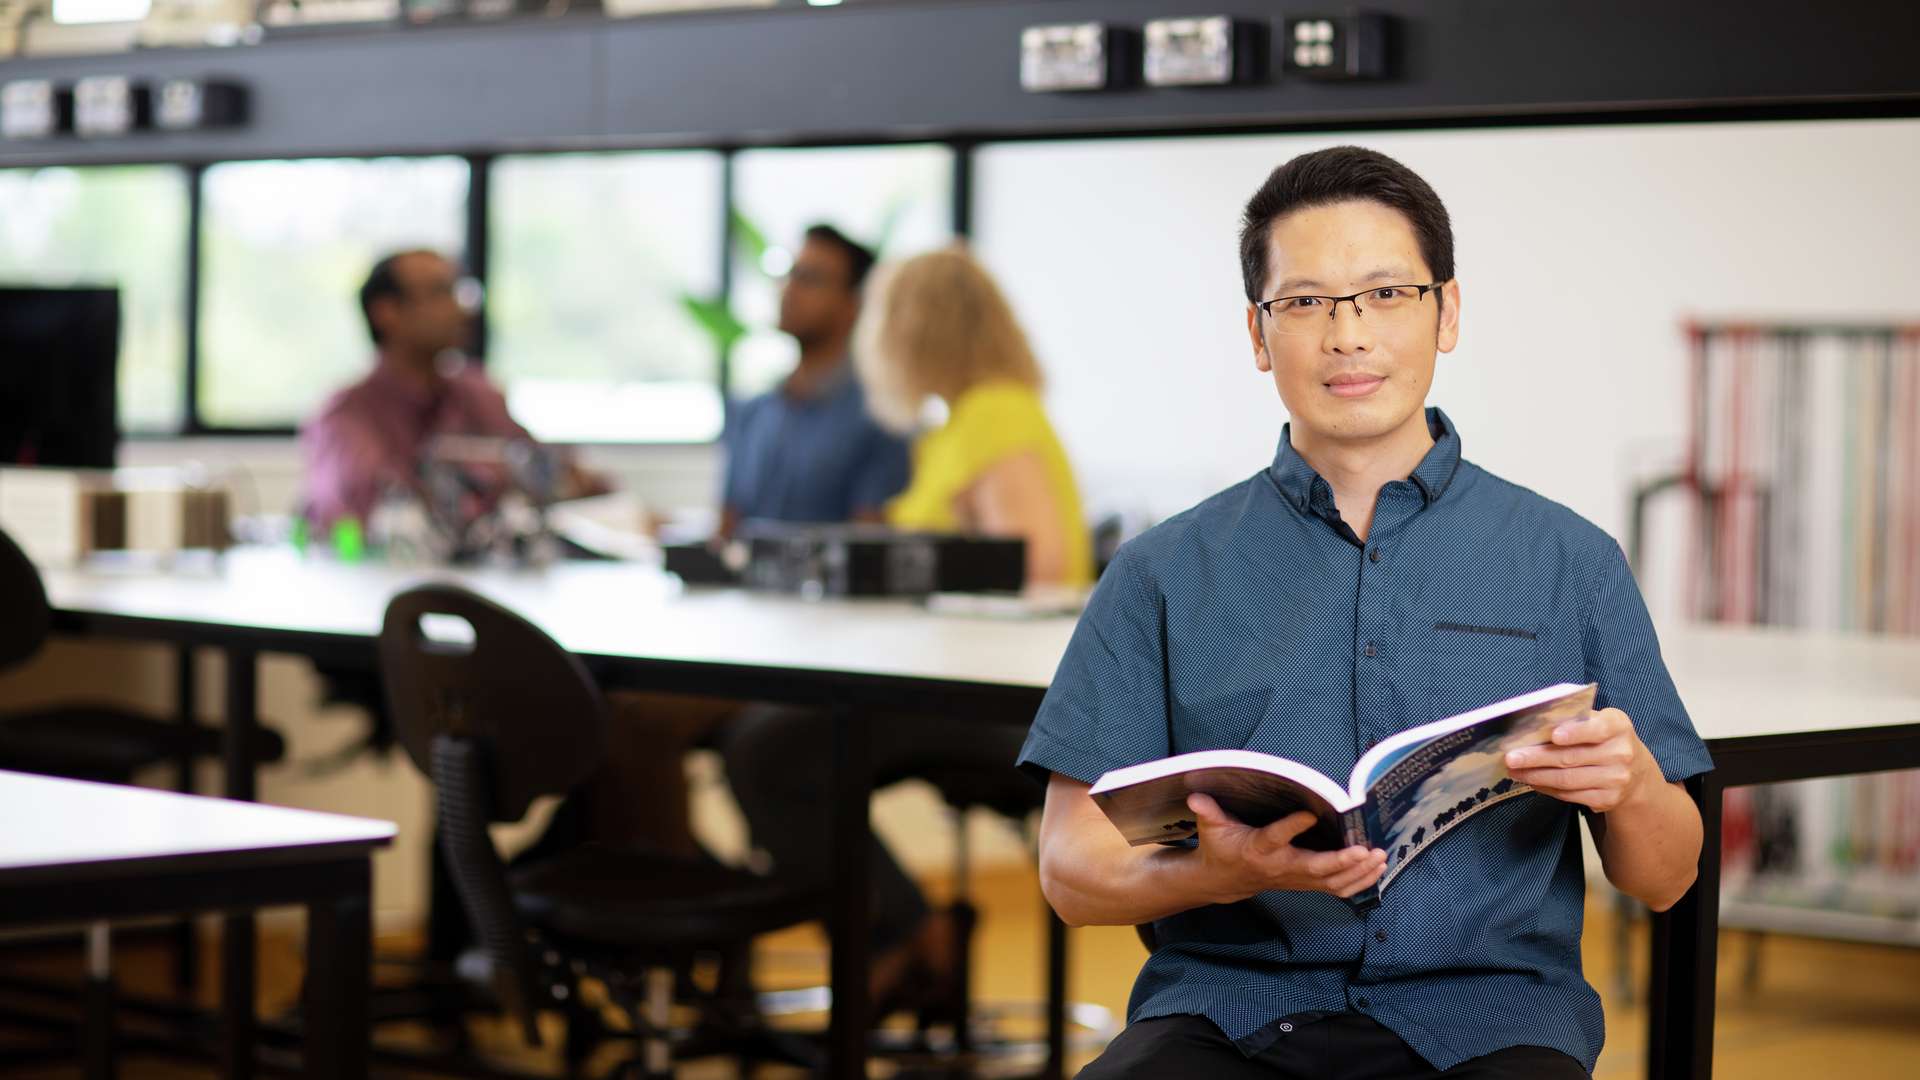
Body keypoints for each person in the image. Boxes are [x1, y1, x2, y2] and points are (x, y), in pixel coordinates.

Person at [1019, 146, 1712, 1078]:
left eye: (1387, 294)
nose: (1348, 335)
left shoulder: (1569, 559)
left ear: (1447, 312)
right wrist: (1222, 872)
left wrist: (1629, 784)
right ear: (1260, 336)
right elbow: (1068, 868)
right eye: (1304, 302)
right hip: (1230, 1009)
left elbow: (1666, 877)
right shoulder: (1161, 571)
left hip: (1491, 1018)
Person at [720, 246, 1092, 1015]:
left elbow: (1039, 571)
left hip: (996, 702)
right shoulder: (961, 420)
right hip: (942, 679)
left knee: (768, 750)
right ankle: (905, 937)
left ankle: (903, 938)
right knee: (768, 740)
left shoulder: (997, 414)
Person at [301, 249, 602, 531]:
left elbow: (569, 479)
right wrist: (502, 477)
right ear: (386, 312)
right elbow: (363, 506)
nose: (460, 309)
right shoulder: (346, 414)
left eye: (459, 292)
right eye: (439, 293)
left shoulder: (479, 395)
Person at [718, 224, 912, 539]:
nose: (789, 289)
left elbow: (869, 548)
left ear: (853, 304)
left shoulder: (879, 419)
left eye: (810, 279)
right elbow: (725, 533)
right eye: (789, 274)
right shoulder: (752, 413)